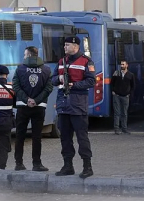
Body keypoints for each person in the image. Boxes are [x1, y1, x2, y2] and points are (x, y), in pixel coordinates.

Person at [52, 36, 96, 179]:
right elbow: (52, 79)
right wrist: (58, 79)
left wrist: (74, 85)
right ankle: (67, 166)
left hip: (78, 105)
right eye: (64, 45)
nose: (65, 47)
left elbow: (91, 81)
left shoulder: (86, 61)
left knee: (82, 137)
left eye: (67, 45)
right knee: (65, 137)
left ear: (76, 46)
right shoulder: (61, 62)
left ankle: (87, 167)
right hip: (63, 105)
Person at [12, 46, 53, 171]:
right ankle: (37, 164)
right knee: (37, 136)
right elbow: (48, 88)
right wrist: (36, 100)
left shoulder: (20, 69)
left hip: (23, 107)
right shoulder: (46, 70)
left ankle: (19, 163)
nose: (24, 57)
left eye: (25, 55)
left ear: (29, 55)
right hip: (39, 107)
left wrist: (27, 100)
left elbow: (16, 86)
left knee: (20, 136)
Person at [111, 60, 135, 135]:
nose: (121, 66)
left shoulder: (131, 75)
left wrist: (129, 94)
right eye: (121, 64)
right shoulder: (116, 73)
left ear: (127, 65)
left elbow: (133, 86)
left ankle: (124, 129)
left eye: (123, 64)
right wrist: (113, 91)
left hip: (125, 96)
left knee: (124, 113)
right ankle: (116, 129)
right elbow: (112, 82)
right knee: (117, 113)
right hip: (117, 95)